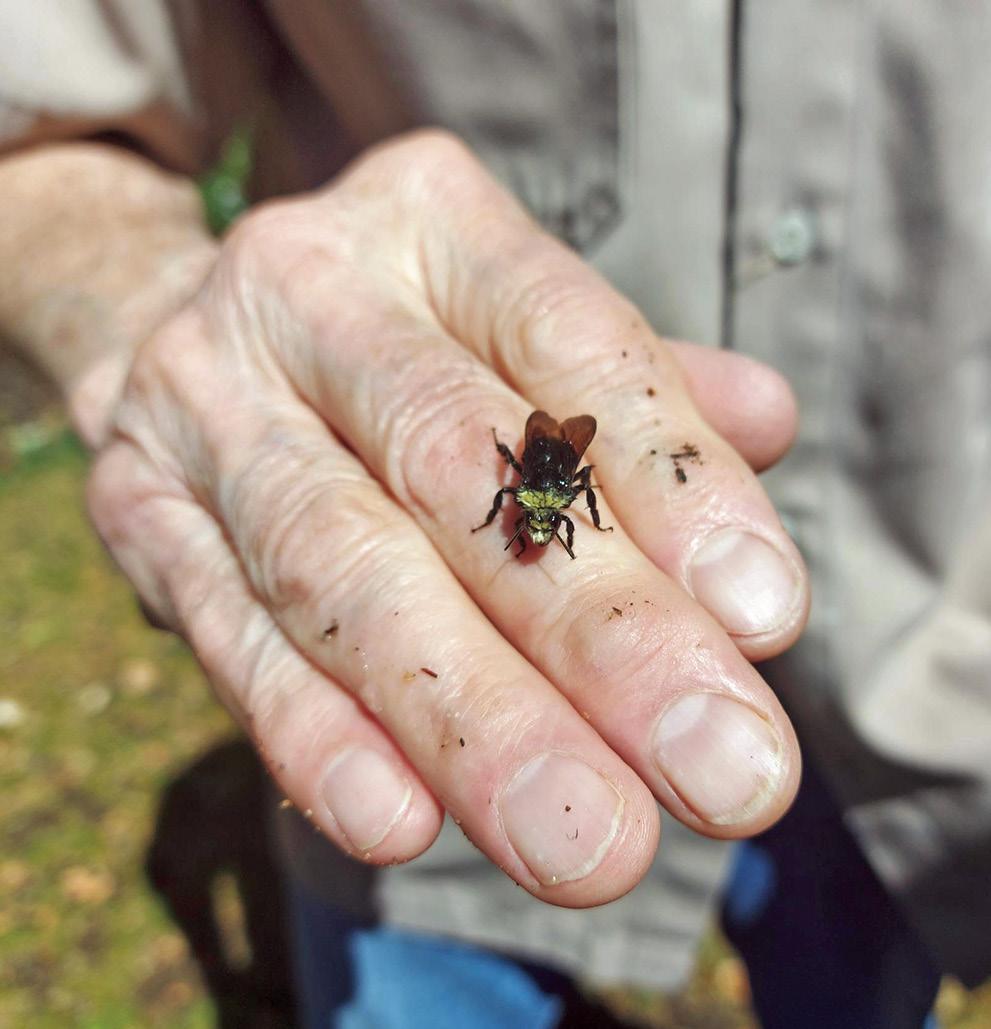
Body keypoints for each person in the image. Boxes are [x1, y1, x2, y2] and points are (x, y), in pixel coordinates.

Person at [2, 4, 988, 1027]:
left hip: (910, 698)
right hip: (439, 768)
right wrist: (165, 325)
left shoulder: (552, 487)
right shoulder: (533, 493)